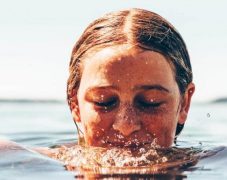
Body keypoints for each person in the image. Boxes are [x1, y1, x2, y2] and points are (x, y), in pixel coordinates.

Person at [66, 8, 195, 148]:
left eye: (151, 102)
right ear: (75, 105)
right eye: (103, 101)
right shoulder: (41, 166)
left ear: (183, 104)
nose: (126, 126)